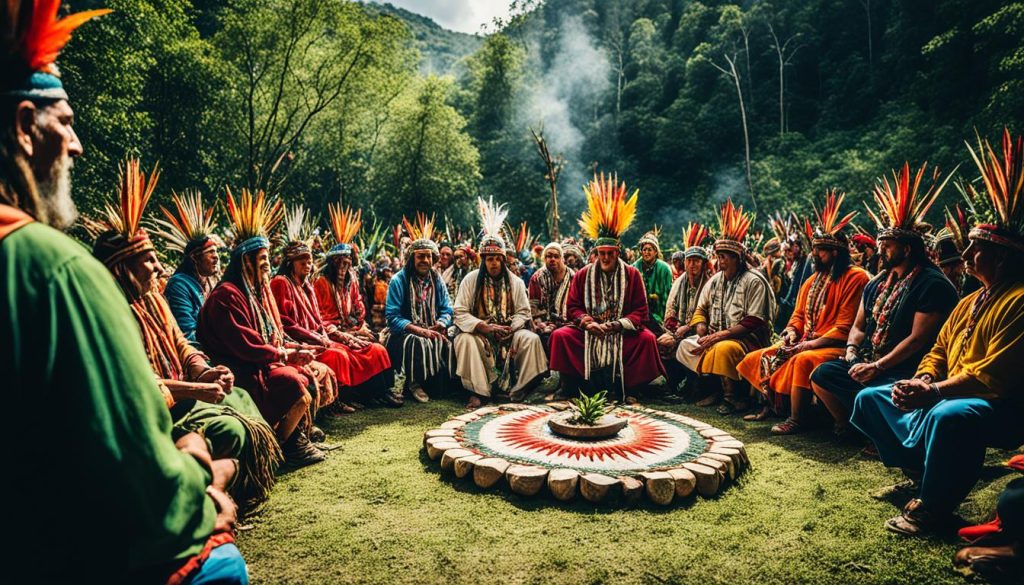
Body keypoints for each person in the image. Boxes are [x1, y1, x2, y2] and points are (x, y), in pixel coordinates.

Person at [1, 3, 246, 580]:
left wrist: (201, 372)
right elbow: (139, 477)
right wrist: (197, 476)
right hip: (52, 547)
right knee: (224, 565)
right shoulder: (54, 269)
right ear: (21, 125)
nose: (77, 144)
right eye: (64, 122)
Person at [851, 129, 1024, 536]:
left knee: (950, 415)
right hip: (948, 387)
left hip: (1002, 405)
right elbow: (939, 348)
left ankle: (934, 506)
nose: (964, 257)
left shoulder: (1018, 300)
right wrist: (925, 376)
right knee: (871, 398)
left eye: (975, 249)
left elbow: (992, 377)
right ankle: (922, 474)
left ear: (1000, 259)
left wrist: (934, 391)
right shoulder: (970, 300)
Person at [93, 159, 282, 512]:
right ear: (121, 266)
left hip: (184, 385)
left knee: (238, 395)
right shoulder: (108, 311)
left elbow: (181, 343)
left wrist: (202, 370)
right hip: (150, 411)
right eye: (148, 260)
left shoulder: (152, 298)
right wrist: (198, 387)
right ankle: (217, 491)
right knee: (231, 429)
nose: (158, 267)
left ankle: (243, 482)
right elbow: (139, 384)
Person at [810, 163, 958, 439]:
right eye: (881, 244)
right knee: (822, 374)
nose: (881, 250)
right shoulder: (878, 282)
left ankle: (878, 433)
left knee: (870, 390)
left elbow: (918, 340)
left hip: (906, 367)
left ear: (908, 248)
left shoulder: (932, 283)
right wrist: (853, 351)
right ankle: (853, 427)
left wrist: (877, 367)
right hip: (870, 360)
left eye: (887, 245)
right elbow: (858, 325)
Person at [198, 188, 330, 467]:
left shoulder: (256, 293)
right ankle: (280, 447)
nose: (268, 269)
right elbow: (247, 346)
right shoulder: (227, 296)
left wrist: (296, 350)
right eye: (263, 263)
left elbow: (273, 335)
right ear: (246, 263)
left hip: (258, 363)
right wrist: (288, 354)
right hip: (239, 370)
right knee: (293, 381)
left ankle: (293, 438)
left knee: (305, 373)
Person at [738, 191, 869, 432]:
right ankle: (773, 407)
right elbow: (798, 316)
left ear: (836, 252)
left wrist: (807, 345)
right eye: (815, 248)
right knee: (762, 356)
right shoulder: (812, 281)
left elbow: (844, 327)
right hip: (808, 341)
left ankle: (797, 419)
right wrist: (789, 333)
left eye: (821, 249)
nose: (814, 254)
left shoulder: (856, 277)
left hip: (837, 345)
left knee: (802, 360)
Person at [548, 173, 665, 400]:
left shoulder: (632, 274)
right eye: (601, 254)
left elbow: (641, 311)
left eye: (610, 254)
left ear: (618, 252)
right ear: (596, 253)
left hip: (619, 331)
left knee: (647, 339)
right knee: (561, 336)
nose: (605, 258)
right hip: (589, 330)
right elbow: (572, 306)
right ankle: (569, 385)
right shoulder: (583, 275)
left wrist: (617, 324)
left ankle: (632, 388)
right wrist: (588, 321)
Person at [274, 205, 398, 409]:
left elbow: (358, 311)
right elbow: (293, 323)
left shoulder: (339, 283)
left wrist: (357, 331)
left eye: (347, 262)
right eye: (339, 262)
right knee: (340, 354)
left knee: (376, 348)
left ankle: (379, 393)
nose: (344, 267)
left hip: (329, 333)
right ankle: (343, 399)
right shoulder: (312, 283)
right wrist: (334, 335)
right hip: (310, 339)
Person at [675, 203, 775, 413]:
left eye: (724, 258)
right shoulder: (716, 280)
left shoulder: (754, 280)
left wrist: (720, 336)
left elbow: (754, 321)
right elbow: (701, 309)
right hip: (717, 335)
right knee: (686, 345)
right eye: (718, 257)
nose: (719, 263)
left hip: (747, 341)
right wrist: (701, 327)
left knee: (722, 348)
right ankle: (713, 390)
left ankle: (733, 397)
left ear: (737, 259)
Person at [452, 198, 548, 407]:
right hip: (480, 333)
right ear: (483, 260)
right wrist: (483, 326)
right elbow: (459, 312)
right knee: (465, 340)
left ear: (503, 259)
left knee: (530, 339)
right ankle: (479, 392)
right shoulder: (471, 279)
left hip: (509, 332)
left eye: (497, 258)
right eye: (489, 259)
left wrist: (510, 327)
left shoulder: (514, 281)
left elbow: (524, 312)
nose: (493, 263)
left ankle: (520, 389)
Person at [384, 213, 456, 402]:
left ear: (433, 259)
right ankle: (413, 383)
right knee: (418, 342)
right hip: (404, 332)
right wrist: (418, 329)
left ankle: (441, 386)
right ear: (412, 258)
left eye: (428, 256)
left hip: (432, 327)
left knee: (448, 340)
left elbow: (447, 308)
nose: (424, 260)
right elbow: (392, 316)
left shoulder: (437, 279)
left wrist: (441, 323)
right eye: (420, 256)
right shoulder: (398, 280)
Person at [152, 190, 225, 345]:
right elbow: (187, 333)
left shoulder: (210, 282)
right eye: (210, 252)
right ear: (194, 257)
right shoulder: (179, 285)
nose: (216, 257)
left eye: (216, 252)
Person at [528, 241, 575, 349]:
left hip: (568, 322)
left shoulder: (573, 277)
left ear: (562, 259)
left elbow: (576, 304)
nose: (552, 259)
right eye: (549, 256)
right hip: (543, 323)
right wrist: (540, 323)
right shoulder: (537, 278)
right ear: (544, 259)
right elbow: (533, 306)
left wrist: (563, 323)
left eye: (556, 256)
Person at [633, 228, 673, 333]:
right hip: (640, 312)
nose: (646, 252)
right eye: (644, 249)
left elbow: (668, 295)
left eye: (649, 249)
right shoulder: (634, 268)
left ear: (656, 251)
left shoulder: (664, 269)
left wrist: (665, 319)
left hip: (660, 312)